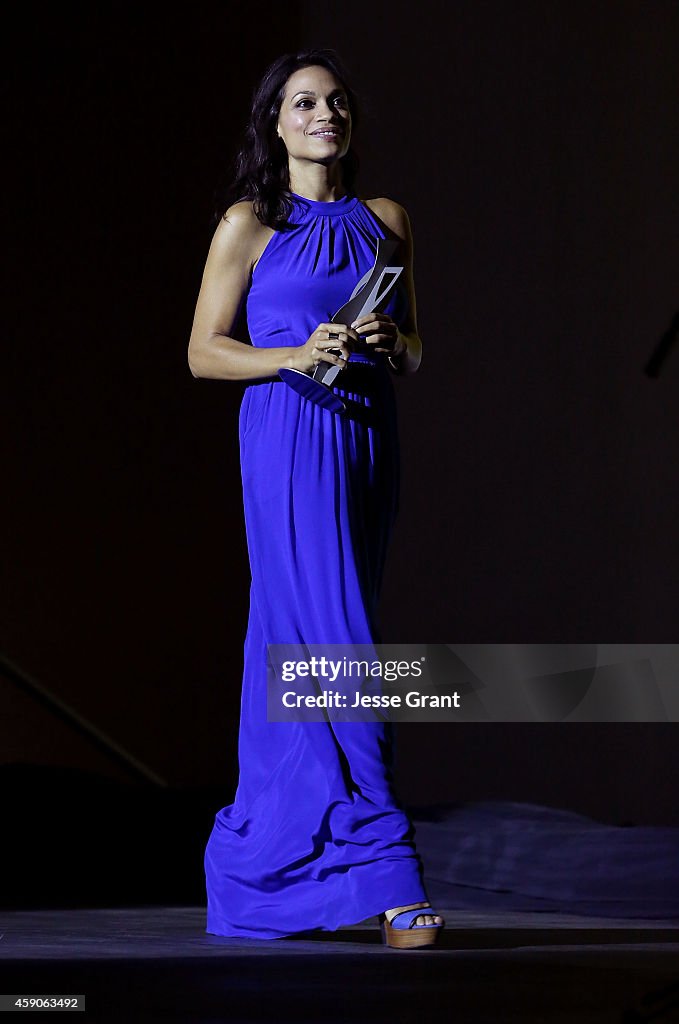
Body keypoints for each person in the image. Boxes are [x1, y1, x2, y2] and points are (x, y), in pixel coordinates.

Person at [188, 48, 444, 949]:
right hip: (289, 442)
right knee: (343, 645)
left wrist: (387, 340)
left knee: (303, 647)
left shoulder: (386, 219)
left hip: (367, 441)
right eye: (304, 103)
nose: (324, 115)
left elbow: (414, 352)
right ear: (275, 122)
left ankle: (268, 866)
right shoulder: (249, 224)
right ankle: (390, 869)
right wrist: (294, 353)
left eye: (335, 103)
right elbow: (202, 352)